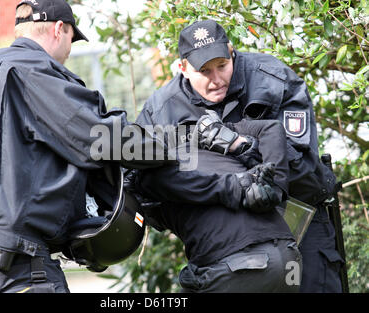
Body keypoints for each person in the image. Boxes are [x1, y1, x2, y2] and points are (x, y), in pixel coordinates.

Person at [0, 0, 173, 293]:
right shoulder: (29, 70)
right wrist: (174, 146)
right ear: (59, 29)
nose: (68, 52)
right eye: (71, 40)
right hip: (16, 263)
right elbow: (100, 137)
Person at [132, 19, 340, 292]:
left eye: (222, 65)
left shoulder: (274, 80)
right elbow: (142, 188)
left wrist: (243, 147)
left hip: (299, 219)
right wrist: (211, 195)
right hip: (226, 241)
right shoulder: (160, 112)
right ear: (183, 68)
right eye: (204, 71)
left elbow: (304, 171)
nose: (216, 79)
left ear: (232, 52)